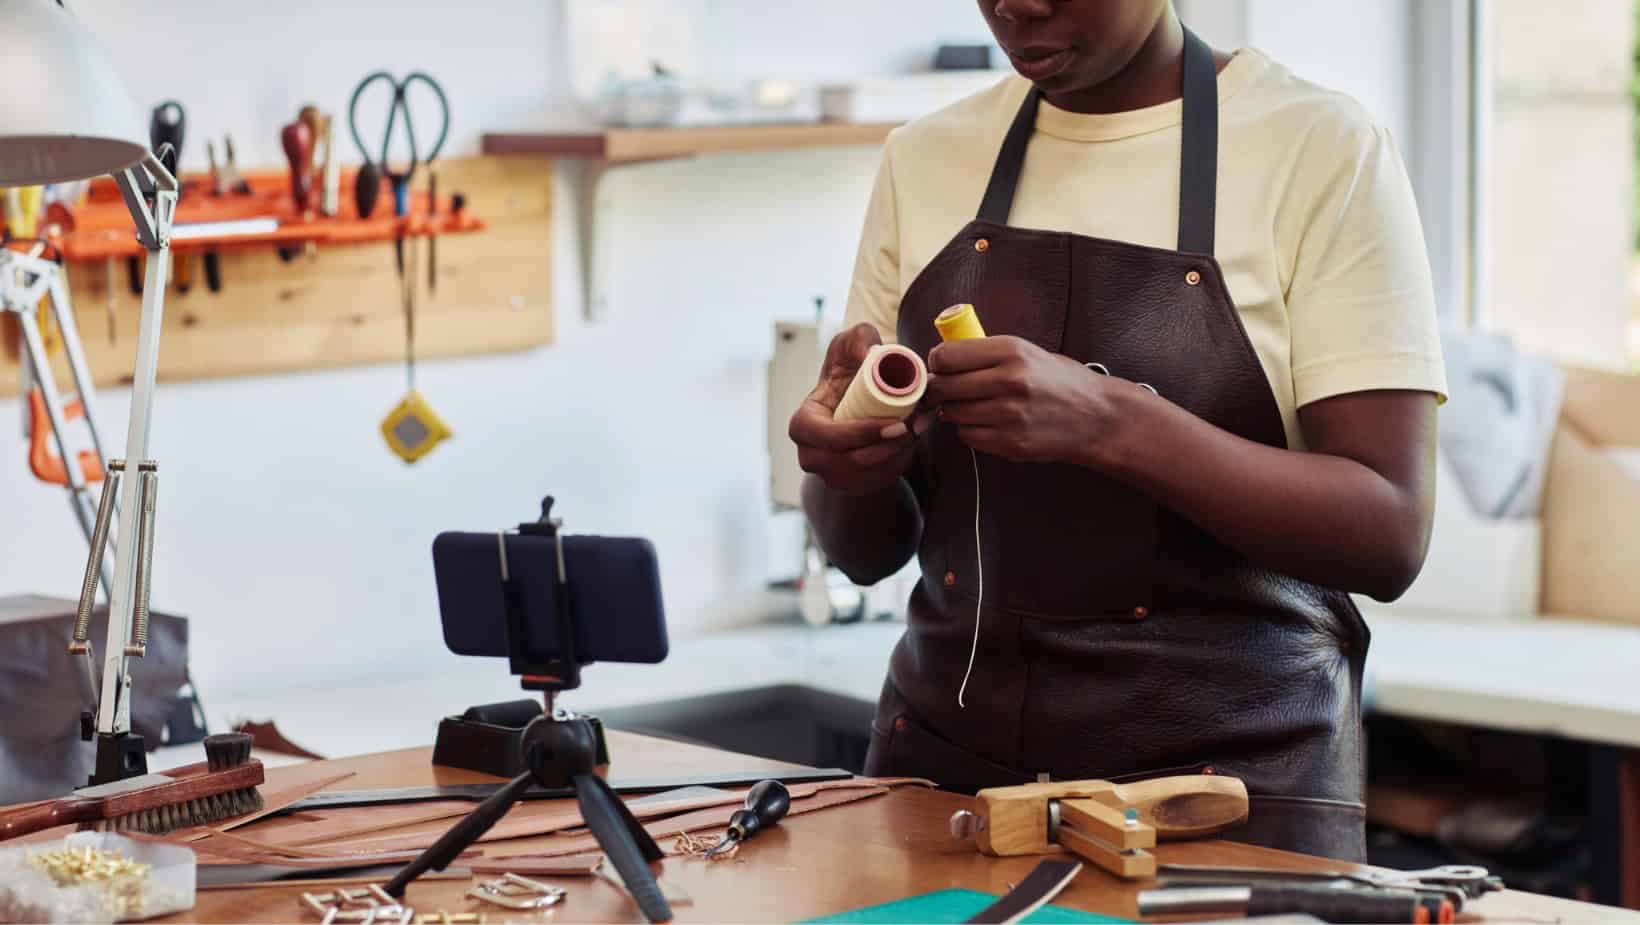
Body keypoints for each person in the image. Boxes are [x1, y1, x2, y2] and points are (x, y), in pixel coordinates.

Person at [788, 0, 1446, 862]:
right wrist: (848, 463)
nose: (1019, 4)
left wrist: (1111, 422)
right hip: (952, 802)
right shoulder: (925, 159)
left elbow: (1389, 530)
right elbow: (865, 552)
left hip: (1223, 815)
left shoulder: (1321, 150)